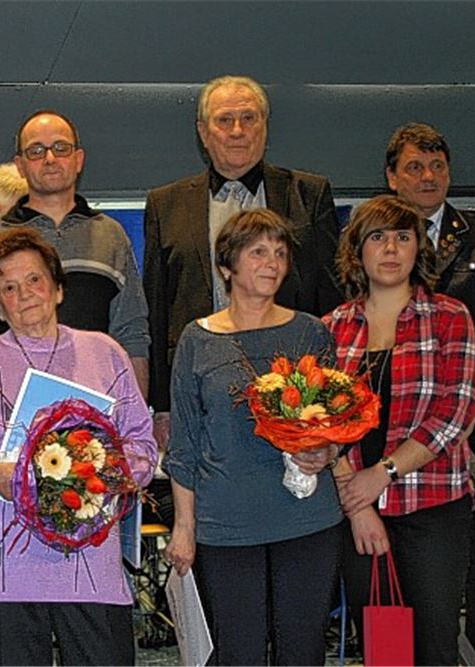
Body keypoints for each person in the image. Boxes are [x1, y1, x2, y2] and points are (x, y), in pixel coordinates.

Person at [0, 227, 156, 666]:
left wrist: (103, 471)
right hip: (0, 570)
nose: (26, 295)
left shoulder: (105, 352)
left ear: (58, 289)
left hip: (90, 564)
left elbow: (143, 448)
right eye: (9, 288)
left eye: (35, 280)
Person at [163, 209, 342, 665]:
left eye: (280, 253)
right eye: (258, 251)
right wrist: (185, 529)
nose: (272, 263)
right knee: (237, 652)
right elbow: (184, 444)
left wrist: (327, 449)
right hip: (226, 522)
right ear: (227, 266)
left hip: (306, 517)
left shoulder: (311, 331)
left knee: (302, 649)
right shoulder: (195, 340)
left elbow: (337, 419)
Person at [144, 74, 343, 448]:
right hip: (200, 383)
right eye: (224, 120)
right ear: (203, 132)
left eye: (249, 118)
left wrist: (329, 388)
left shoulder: (310, 194)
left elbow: (331, 297)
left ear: (265, 127)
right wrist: (162, 405)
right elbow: (157, 307)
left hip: (296, 386)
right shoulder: (165, 204)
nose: (237, 130)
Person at [383, 122, 475, 663]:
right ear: (392, 177)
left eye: (437, 166)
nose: (428, 176)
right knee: (389, 562)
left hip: (471, 421)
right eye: (414, 167)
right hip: (392, 430)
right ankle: (393, 659)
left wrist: (443, 355)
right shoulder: (374, 234)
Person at [325, 195, 475, 665]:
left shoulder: (451, 317)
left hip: (434, 510)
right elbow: (322, 427)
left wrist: (384, 473)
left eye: (402, 237)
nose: (390, 249)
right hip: (358, 512)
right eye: (377, 237)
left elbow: (457, 413)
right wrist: (358, 502)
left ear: (419, 248)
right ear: (358, 250)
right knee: (383, 650)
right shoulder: (333, 327)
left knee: (435, 647)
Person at [0, 110, 151, 396]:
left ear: (78, 159)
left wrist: (135, 418)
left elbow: (131, 332)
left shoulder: (111, 235)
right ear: (20, 165)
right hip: (10, 408)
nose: (50, 158)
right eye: (36, 151)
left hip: (96, 409)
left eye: (61, 148)